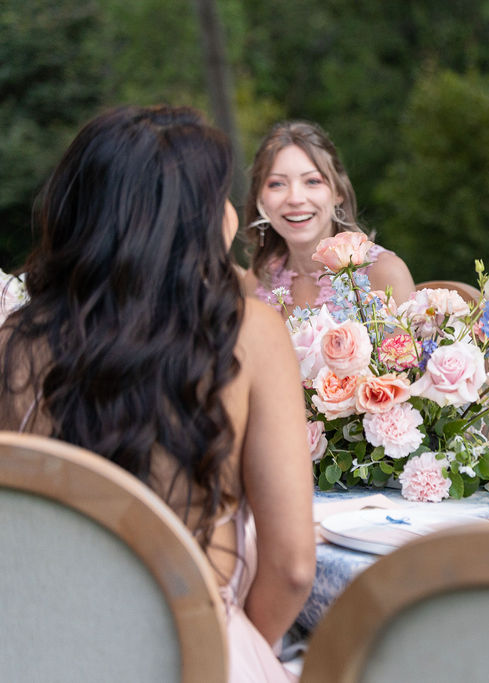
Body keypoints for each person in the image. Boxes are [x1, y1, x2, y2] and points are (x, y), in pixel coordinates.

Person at [0, 106, 315, 682]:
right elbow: (293, 567)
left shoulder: (14, 343)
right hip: (189, 654)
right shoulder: (252, 334)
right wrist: (228, 640)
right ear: (190, 220)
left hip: (38, 654)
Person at [242, 121, 415, 313]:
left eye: (312, 181)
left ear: (338, 192)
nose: (295, 199)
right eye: (277, 184)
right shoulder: (255, 284)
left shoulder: (384, 273)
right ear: (260, 198)